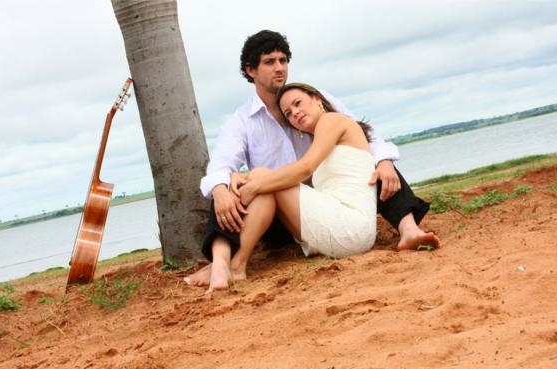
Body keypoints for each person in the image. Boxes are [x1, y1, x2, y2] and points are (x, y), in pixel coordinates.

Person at [185, 30, 439, 291]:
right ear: (251, 70)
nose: (279, 68)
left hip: (329, 201)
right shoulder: (241, 122)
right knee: (227, 187)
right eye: (270, 62)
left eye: (283, 60)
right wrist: (223, 185)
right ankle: (222, 263)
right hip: (278, 213)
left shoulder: (314, 102)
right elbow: (220, 164)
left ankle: (408, 229)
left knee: (381, 165)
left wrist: (384, 161)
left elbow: (366, 138)